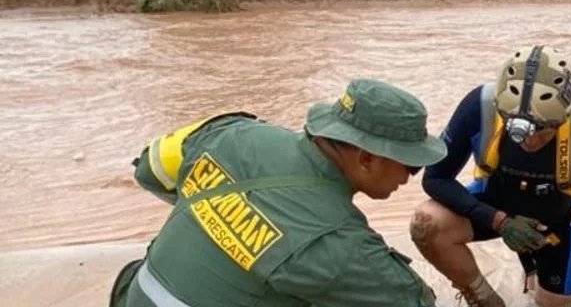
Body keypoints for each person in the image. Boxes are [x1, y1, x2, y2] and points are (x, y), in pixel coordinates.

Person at [108, 79, 448, 307]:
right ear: (365, 158)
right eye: (410, 165)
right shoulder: (343, 247)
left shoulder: (232, 133)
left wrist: (225, 219)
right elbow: (414, 300)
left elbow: (149, 170)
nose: (409, 177)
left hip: (135, 295)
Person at [411, 45, 571, 307]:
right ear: (502, 110)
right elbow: (434, 177)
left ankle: (536, 266)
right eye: (519, 130)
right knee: (426, 224)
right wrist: (500, 221)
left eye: (543, 131)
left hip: (556, 221)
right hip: (495, 204)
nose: (531, 140)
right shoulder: (480, 104)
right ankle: (484, 299)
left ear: (565, 116)